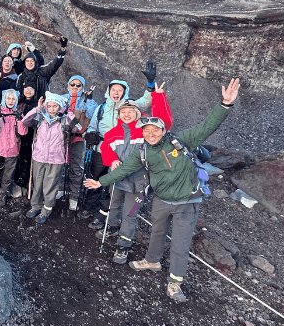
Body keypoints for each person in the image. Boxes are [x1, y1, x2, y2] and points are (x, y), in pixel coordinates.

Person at [85, 78, 239, 302]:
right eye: (146, 131)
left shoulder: (180, 140)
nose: (149, 133)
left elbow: (206, 127)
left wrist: (224, 105)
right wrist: (102, 182)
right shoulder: (144, 152)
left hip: (187, 200)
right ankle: (152, 260)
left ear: (161, 129)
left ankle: (175, 282)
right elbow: (125, 168)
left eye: (153, 129)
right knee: (157, 232)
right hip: (161, 199)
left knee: (179, 242)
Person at [98, 84, 173, 265]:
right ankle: (113, 226)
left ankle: (123, 245)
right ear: (119, 114)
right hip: (117, 180)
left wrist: (158, 95)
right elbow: (105, 147)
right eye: (123, 112)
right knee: (114, 206)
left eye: (130, 111)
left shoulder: (145, 129)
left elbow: (165, 121)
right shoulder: (112, 133)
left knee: (130, 214)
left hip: (139, 183)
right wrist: (112, 160)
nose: (126, 114)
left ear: (137, 113)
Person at [83, 62, 156, 226]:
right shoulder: (101, 108)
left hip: (122, 152)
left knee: (113, 185)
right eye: (113, 90)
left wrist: (150, 85)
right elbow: (93, 125)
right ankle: (89, 206)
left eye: (119, 90)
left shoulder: (130, 106)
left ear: (124, 92)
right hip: (100, 149)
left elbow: (147, 101)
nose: (116, 93)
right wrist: (90, 134)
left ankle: (102, 214)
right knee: (95, 177)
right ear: (109, 92)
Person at [21, 92, 82, 223]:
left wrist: (69, 112)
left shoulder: (64, 120)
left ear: (59, 107)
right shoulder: (41, 117)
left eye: (55, 106)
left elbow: (77, 128)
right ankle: (35, 206)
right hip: (39, 157)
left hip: (56, 158)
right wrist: (37, 108)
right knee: (38, 183)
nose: (52, 109)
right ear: (46, 106)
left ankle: (46, 210)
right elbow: (25, 121)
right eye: (50, 106)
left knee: (50, 185)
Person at [0, 89, 29, 206]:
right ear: (4, 99)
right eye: (8, 98)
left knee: (8, 174)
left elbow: (23, 132)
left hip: (12, 148)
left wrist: (20, 119)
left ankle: (2, 194)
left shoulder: (18, 114)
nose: (11, 101)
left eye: (13, 99)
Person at [60, 75, 98, 210]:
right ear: (68, 85)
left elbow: (94, 114)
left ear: (83, 87)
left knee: (77, 168)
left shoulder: (87, 101)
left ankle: (74, 197)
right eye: (73, 84)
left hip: (79, 138)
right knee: (60, 164)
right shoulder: (63, 98)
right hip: (62, 137)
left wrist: (89, 101)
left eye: (78, 85)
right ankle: (59, 189)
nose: (75, 87)